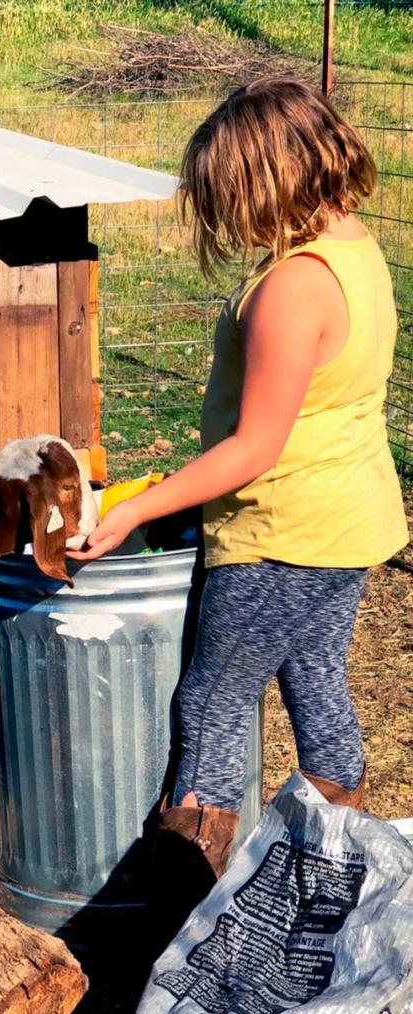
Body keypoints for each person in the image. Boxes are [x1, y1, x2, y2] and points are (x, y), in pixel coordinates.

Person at [74, 79, 409, 889]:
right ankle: (335, 875)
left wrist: (141, 510)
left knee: (212, 705)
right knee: (316, 678)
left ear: (266, 182)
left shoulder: (293, 288)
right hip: (346, 524)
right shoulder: (355, 253)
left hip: (278, 533)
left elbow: (257, 445)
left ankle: (194, 906)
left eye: (229, 197)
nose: (225, 219)